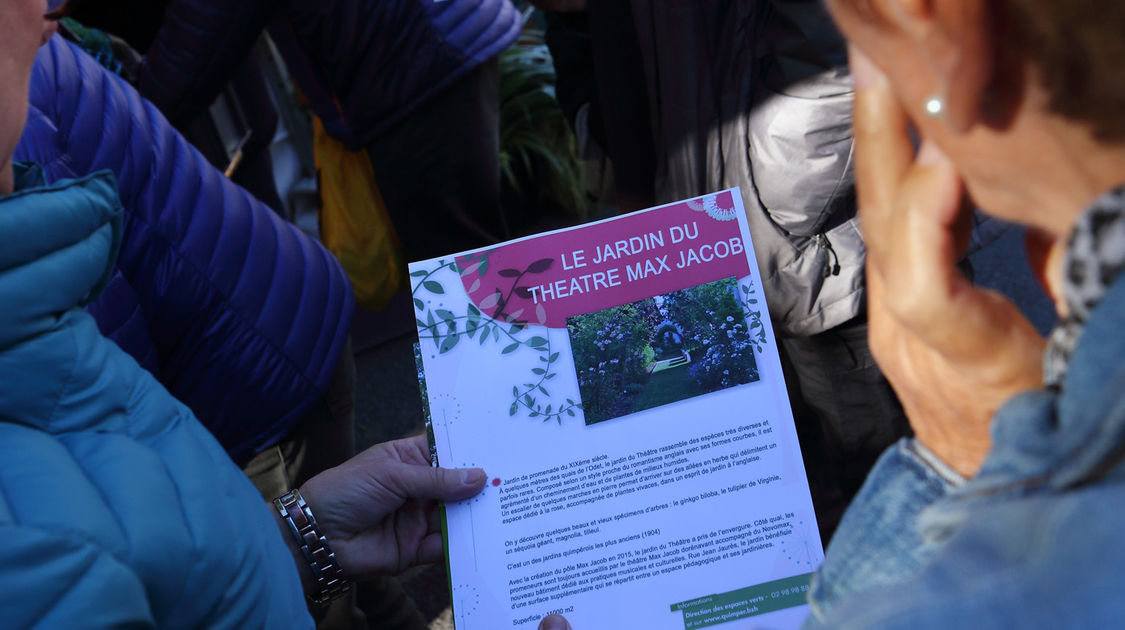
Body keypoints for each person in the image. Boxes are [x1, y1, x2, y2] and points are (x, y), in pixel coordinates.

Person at [541, 0, 1125, 627]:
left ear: (924, 18)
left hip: (799, 243)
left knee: (848, 433)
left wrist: (952, 472)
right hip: (717, 211)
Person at [0, 2, 487, 626]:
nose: (52, 13)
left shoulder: (53, 330)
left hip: (255, 350)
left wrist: (302, 540)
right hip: (252, 356)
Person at [132, 0, 521, 262]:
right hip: (436, 35)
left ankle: (513, 381)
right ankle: (526, 375)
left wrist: (130, 112)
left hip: (412, 62)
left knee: (460, 265)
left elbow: (204, 29)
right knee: (474, 254)